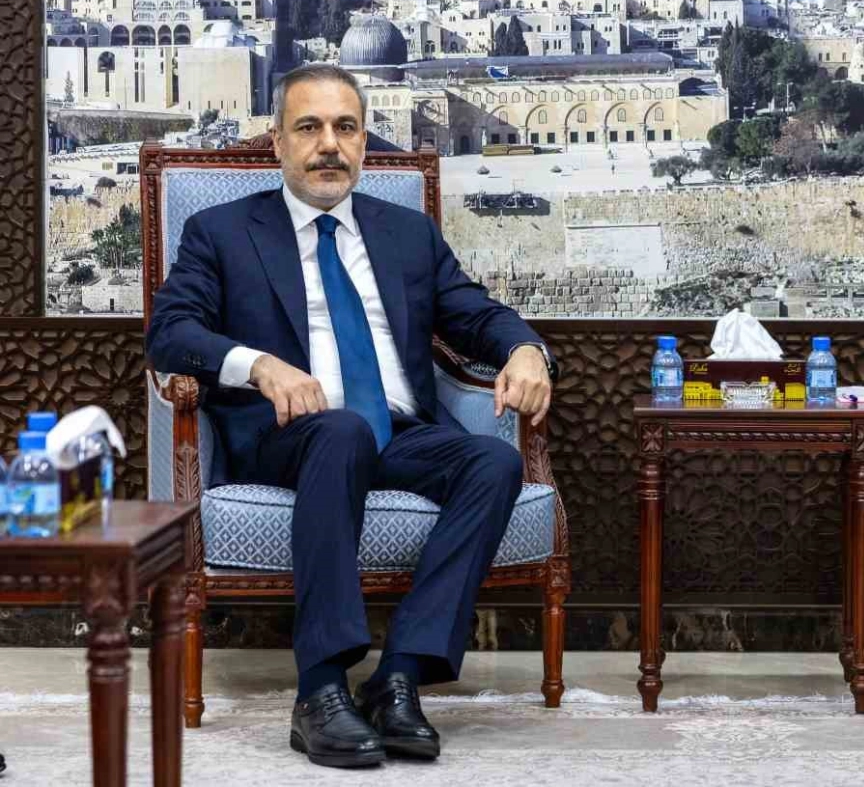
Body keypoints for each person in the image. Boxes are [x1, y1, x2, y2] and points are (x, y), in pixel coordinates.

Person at [148, 64, 557, 769]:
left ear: (364, 142)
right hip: (289, 436)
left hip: (397, 432)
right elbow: (170, 332)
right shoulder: (222, 231)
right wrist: (261, 365)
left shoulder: (406, 234)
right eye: (309, 127)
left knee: (494, 460)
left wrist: (525, 349)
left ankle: (398, 678)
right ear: (279, 141)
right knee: (340, 431)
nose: (328, 145)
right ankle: (319, 690)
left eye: (345, 128)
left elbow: (474, 314)